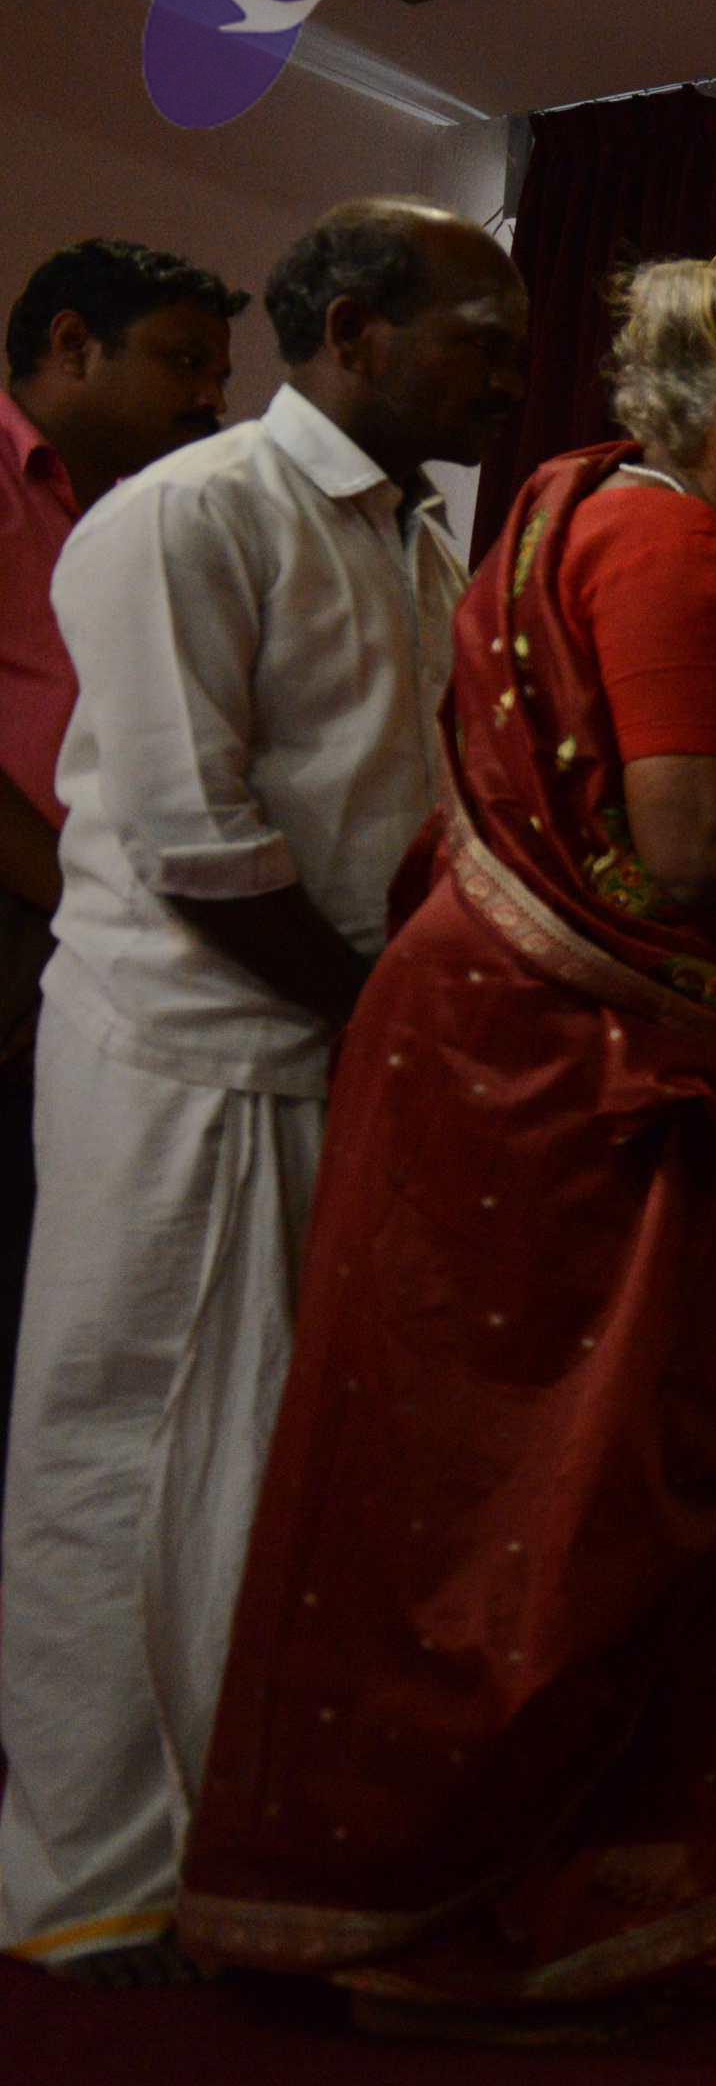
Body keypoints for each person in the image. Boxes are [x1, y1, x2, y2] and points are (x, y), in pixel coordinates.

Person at [174, 241, 716, 2029]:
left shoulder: (601, 511)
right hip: (577, 1086)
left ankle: (451, 1890)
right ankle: (442, 1903)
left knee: (490, 1498)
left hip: (527, 1062)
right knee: (557, 1506)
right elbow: (691, 849)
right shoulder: (676, 555)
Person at [0, 198, 524, 1980]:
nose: (509, 376)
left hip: (328, 1053)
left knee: (267, 1471)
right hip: (185, 1054)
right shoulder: (188, 513)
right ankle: (86, 1882)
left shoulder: (418, 541)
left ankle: (237, 1850)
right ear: (357, 329)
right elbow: (190, 838)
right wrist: (384, 1013)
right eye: (482, 338)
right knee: (123, 1447)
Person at [0, 241, 247, 1475]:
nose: (210, 395)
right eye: (183, 360)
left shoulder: (151, 511)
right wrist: (71, 901)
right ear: (70, 346)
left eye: (220, 370)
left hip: (91, 945)